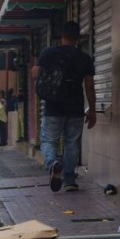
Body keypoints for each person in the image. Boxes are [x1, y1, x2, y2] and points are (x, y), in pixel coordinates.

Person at [31, 21, 96, 192]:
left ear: (61, 36)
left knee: (49, 141)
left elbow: (34, 73)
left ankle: (53, 163)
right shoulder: (84, 58)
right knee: (72, 143)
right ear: (77, 38)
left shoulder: (49, 53)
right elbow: (89, 86)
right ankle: (69, 180)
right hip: (75, 107)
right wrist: (93, 110)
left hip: (53, 106)